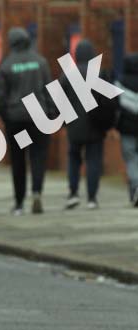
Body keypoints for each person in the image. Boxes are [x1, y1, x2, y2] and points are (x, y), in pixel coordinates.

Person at [0, 27, 53, 215]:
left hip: (17, 119)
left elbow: (0, 97)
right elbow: (48, 90)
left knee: (19, 159)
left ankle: (19, 203)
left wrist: (6, 117)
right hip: (38, 117)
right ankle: (37, 192)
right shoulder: (40, 62)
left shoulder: (7, 64)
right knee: (38, 156)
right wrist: (50, 113)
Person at [59, 39, 117, 210]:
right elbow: (111, 102)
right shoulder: (99, 74)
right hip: (95, 127)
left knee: (74, 159)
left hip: (74, 127)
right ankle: (92, 198)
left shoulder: (67, 76)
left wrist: (65, 122)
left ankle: (73, 194)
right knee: (93, 161)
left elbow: (59, 101)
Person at [116, 52, 138, 207]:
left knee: (131, 159)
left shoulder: (120, 83)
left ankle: (135, 188)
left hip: (127, 129)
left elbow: (115, 107)